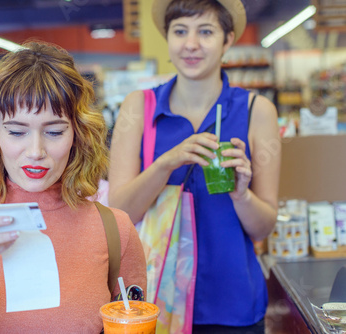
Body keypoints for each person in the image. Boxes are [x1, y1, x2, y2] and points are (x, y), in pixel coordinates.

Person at [0, 41, 147, 333]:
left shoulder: (115, 230)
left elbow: (135, 321)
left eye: (54, 132)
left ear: (78, 134)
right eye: (17, 131)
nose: (35, 151)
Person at [108, 0, 280, 333]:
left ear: (228, 40)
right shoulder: (138, 107)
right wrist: (165, 164)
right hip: (156, 302)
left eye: (206, 31)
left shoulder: (258, 111)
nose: (191, 44)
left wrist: (242, 194)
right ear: (167, 39)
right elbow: (120, 213)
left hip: (234, 303)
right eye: (180, 31)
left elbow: (263, 227)